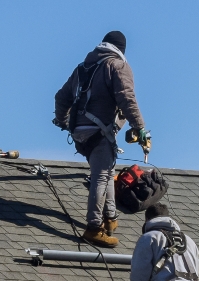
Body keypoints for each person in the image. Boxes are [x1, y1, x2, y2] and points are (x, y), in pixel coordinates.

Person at [54, 31, 150, 248]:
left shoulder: (83, 67)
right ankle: (94, 227)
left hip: (79, 133)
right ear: (121, 49)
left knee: (107, 173)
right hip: (99, 131)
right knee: (100, 176)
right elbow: (126, 97)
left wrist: (62, 119)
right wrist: (140, 127)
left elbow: (62, 97)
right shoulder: (116, 66)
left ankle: (110, 217)